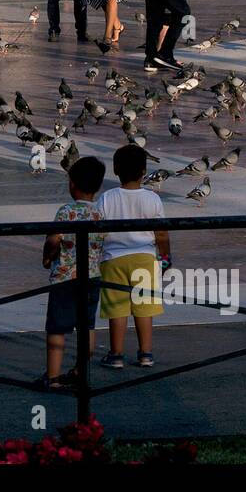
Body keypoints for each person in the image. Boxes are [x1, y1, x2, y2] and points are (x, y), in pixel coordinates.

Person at [95, 144, 170, 369]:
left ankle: (116, 354)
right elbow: (162, 232)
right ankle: (145, 353)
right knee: (144, 307)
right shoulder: (152, 199)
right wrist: (165, 257)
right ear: (144, 171)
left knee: (117, 309)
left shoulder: (107, 198)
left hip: (113, 258)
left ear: (115, 170)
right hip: (145, 257)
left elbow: (99, 231)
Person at [41, 156, 106, 388]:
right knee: (87, 326)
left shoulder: (66, 211)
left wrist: (47, 256)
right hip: (92, 276)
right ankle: (81, 370)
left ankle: (53, 377)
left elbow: (54, 239)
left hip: (65, 278)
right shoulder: (100, 213)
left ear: (72, 184)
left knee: (57, 327)